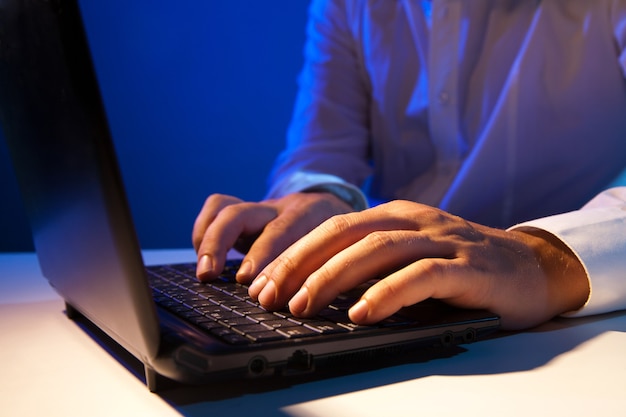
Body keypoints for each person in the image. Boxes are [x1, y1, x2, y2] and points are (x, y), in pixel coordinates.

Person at [193, 0, 626, 330]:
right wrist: (320, 198)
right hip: (392, 294)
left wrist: (541, 259)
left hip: (560, 324)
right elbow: (320, 150)